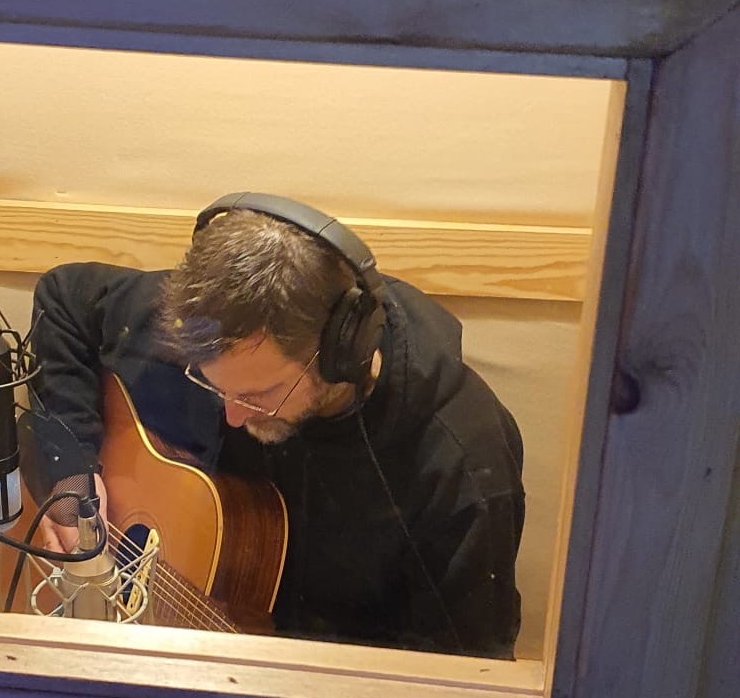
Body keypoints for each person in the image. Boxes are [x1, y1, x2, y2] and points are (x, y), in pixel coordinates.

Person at [31, 193, 525, 657]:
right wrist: (71, 478)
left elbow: (464, 678)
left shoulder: (461, 467)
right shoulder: (209, 325)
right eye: (213, 386)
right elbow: (64, 301)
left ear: (341, 351)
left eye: (258, 396)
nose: (233, 416)